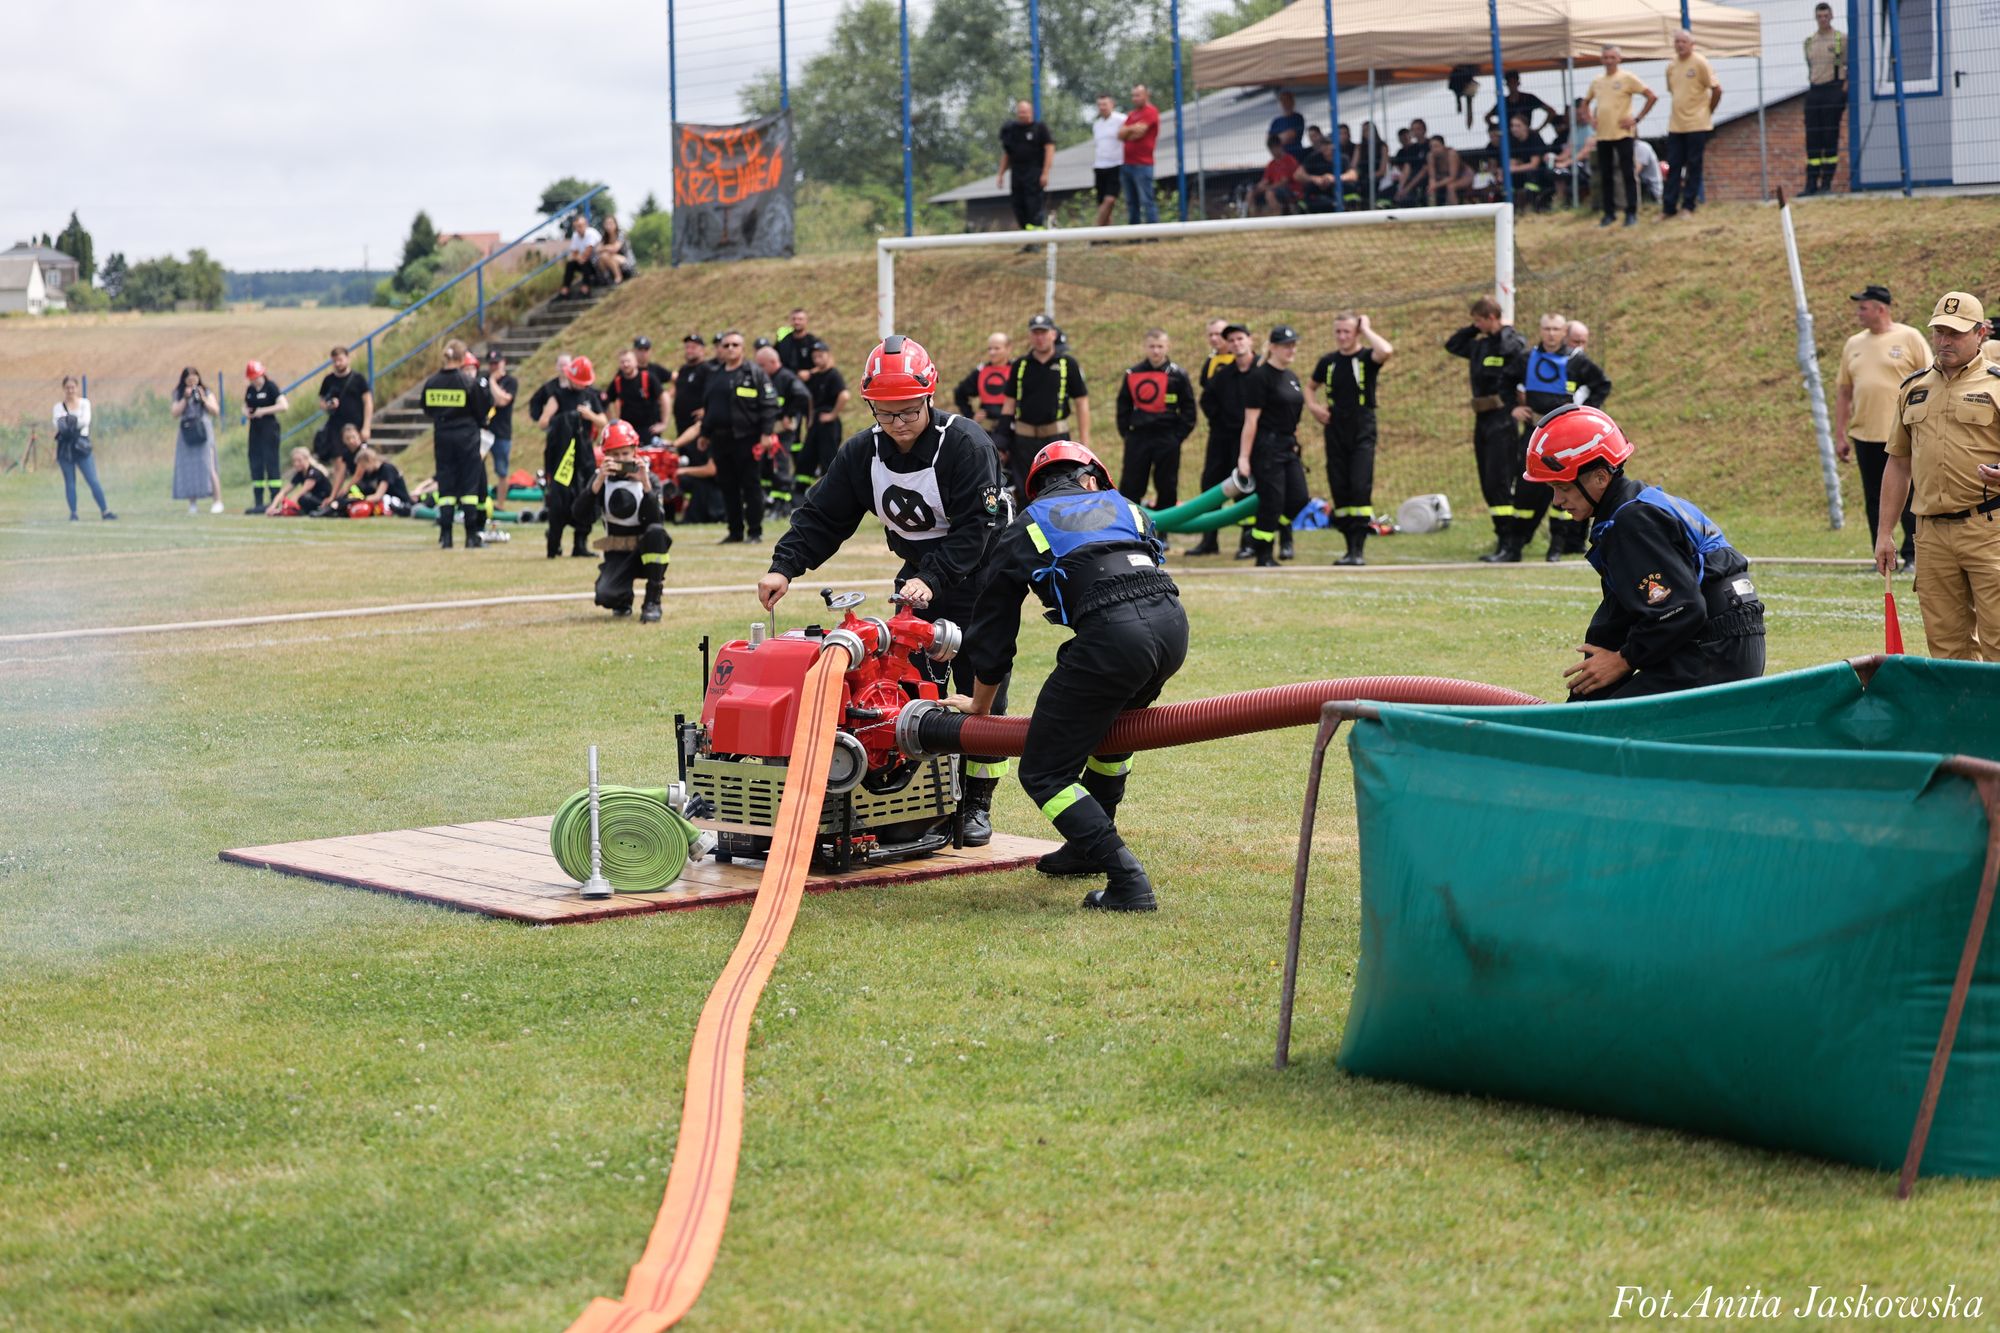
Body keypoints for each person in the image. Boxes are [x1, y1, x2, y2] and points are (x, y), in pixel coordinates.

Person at [758, 335, 1012, 843]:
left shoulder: (965, 444)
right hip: (921, 574)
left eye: (908, 411)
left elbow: (974, 531)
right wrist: (784, 567)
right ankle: (924, 797)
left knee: (982, 686)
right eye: (886, 413)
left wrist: (931, 579)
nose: (897, 424)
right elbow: (824, 517)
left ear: (929, 398)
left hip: (984, 574)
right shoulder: (861, 453)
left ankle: (977, 801)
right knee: (906, 681)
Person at [961, 441, 1186, 912]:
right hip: (1172, 628)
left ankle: (1126, 877)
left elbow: (993, 625)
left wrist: (980, 706)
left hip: (1112, 639)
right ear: (1091, 479)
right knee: (1113, 738)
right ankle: (1086, 848)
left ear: (1036, 490)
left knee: (1045, 770)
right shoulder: (1128, 507)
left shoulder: (1029, 524)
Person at [1526, 404, 1765, 699]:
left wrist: (1623, 660)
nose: (1557, 501)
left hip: (1715, 653)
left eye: (1562, 488)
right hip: (1718, 643)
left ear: (1600, 477)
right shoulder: (1631, 511)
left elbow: (1681, 610)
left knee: (1604, 728)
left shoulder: (1632, 522)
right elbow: (1628, 613)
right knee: (1590, 713)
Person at [1875, 292, 2000, 660]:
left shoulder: (1997, 385)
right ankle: (1962, 719)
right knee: (1946, 648)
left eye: (1956, 333)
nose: (1945, 340)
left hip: (1988, 529)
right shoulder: (1913, 389)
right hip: (1930, 535)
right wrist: (1884, 533)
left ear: (1979, 334)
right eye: (1939, 331)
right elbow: (1898, 463)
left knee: (1998, 641)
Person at [1835, 284, 1929, 572]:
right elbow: (1844, 391)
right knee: (1874, 498)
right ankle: (1882, 556)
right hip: (1866, 434)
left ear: (1880, 308)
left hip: (1905, 434)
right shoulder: (1853, 343)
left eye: (1863, 307)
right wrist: (1840, 434)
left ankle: (1914, 555)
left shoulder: (1909, 337)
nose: (1858, 313)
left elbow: (1930, 380)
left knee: (1911, 496)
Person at [1506, 312, 1613, 560]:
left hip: (1565, 436)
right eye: (1547, 329)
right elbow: (1505, 380)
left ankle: (1557, 546)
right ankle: (1513, 547)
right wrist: (1513, 405)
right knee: (1524, 488)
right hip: (1534, 434)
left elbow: (1602, 384)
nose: (1551, 334)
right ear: (1540, 330)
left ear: (1564, 332)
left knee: (1564, 486)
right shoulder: (1527, 358)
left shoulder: (1576, 362)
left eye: (1556, 329)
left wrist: (1586, 412)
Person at [1445, 296, 1531, 561]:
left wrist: (1502, 328)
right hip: (1482, 419)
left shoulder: (1511, 341)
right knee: (1487, 481)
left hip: (1502, 417)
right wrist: (1475, 328)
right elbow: (1453, 344)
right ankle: (1502, 540)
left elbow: (1515, 350)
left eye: (1479, 320)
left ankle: (1509, 543)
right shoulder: (1479, 346)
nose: (1476, 325)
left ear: (1492, 318)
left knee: (1500, 479)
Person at [1309, 312, 1394, 566]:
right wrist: (1314, 407)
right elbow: (1310, 387)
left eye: (1347, 331)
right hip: (1335, 428)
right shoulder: (1328, 362)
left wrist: (1366, 328)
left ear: (1355, 332)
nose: (1342, 336)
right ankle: (1348, 548)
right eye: (1338, 332)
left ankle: (1359, 549)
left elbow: (1386, 350)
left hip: (1362, 428)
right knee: (1340, 487)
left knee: (1360, 485)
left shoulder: (1367, 358)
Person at [575, 419, 673, 623]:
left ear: (635, 451)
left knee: (656, 532)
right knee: (606, 596)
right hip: (617, 550)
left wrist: (645, 485)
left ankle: (653, 601)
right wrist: (597, 483)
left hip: (646, 549)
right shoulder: (600, 479)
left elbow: (657, 519)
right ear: (606, 455)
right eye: (615, 455)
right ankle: (622, 598)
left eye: (625, 454)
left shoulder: (648, 478)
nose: (621, 459)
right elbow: (579, 515)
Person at [689, 330, 780, 544]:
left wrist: (767, 433)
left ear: (742, 348)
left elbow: (769, 405)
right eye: (726, 345)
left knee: (751, 486)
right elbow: (710, 408)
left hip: (747, 438)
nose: (730, 349)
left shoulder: (753, 373)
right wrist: (705, 434)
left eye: (735, 345)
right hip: (721, 440)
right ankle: (735, 532)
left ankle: (755, 532)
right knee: (728, 487)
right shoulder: (714, 374)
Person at [1239, 325, 1310, 568]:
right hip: (1266, 447)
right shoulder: (1260, 377)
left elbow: (1293, 414)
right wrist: (1244, 458)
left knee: (1300, 497)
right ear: (1272, 348)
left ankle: (1256, 536)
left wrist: (1295, 441)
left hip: (1288, 445)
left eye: (1293, 345)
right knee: (1273, 500)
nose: (1291, 350)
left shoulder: (1291, 377)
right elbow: (1251, 421)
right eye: (1285, 345)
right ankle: (1264, 554)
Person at [999, 313, 1090, 499]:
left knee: (1058, 489)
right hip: (1023, 440)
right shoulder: (1020, 365)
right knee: (1025, 492)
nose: (1039, 338)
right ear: (1030, 336)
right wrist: (1000, 441)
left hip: (1056, 438)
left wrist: (1084, 441)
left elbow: (1081, 401)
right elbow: (1009, 404)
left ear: (1053, 334)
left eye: (1044, 333)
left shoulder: (1067, 364)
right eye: (1035, 333)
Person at [1190, 322, 1259, 558]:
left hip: (1253, 439)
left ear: (1251, 340)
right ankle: (1209, 540)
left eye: (1240, 339)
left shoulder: (1262, 370)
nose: (1236, 344)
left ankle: (1249, 541)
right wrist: (1220, 421)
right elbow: (1206, 400)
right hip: (1221, 438)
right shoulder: (1223, 374)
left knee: (1248, 489)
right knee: (1211, 484)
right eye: (1231, 340)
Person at [421, 339, 492, 550]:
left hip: (442, 436)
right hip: (467, 438)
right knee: (470, 486)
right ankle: (471, 536)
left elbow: (426, 408)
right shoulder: (468, 383)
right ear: (462, 359)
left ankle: (446, 536)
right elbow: (482, 412)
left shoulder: (432, 382)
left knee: (446, 485)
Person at [1114, 329, 1197, 510]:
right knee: (1131, 482)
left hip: (1167, 437)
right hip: (1138, 437)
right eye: (1152, 346)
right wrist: (1127, 433)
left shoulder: (1178, 375)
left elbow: (1189, 409)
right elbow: (1123, 406)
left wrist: (1177, 437)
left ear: (1167, 347)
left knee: (1167, 484)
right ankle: (1129, 527)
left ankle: (1164, 530)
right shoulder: (1133, 373)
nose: (1156, 351)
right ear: (1145, 347)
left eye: (1160, 346)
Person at [539, 354, 607, 558]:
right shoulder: (557, 395)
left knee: (586, 496)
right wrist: (565, 420)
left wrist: (590, 416)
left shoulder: (591, 397)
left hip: (584, 455)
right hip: (562, 456)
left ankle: (580, 544)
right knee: (559, 499)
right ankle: (554, 544)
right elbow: (543, 422)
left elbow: (604, 422)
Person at [1584, 45, 1657, 227]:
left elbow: (1651, 96)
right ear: (1601, 60)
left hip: (1623, 134)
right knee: (1606, 175)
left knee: (1628, 173)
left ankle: (1631, 212)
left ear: (1618, 59)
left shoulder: (1627, 78)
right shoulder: (1597, 81)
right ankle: (1609, 213)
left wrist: (1637, 118)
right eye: (1605, 57)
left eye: (1612, 57)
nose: (1608, 61)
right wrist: (1590, 119)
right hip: (1603, 135)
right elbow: (1585, 102)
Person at [1661, 30, 1722, 218]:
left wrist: (1707, 111)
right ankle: (1669, 208)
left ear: (1691, 44)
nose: (1680, 45)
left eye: (1684, 42)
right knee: (1674, 165)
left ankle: (1689, 205)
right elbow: (1674, 92)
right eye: (1677, 41)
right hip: (1676, 124)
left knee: (1694, 164)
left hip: (1697, 123)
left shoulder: (1700, 62)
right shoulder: (1671, 66)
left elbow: (1717, 89)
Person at [754, 344, 810, 517]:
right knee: (767, 466)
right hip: (770, 430)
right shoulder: (767, 378)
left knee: (781, 464)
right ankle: (770, 502)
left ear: (773, 362)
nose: (760, 370)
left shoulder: (786, 377)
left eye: (762, 366)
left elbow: (803, 396)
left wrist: (789, 414)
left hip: (782, 431)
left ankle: (783, 505)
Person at [52, 375, 114, 521]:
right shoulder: (58, 407)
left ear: (77, 388)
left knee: (92, 479)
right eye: (67, 388)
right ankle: (73, 513)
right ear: (63, 389)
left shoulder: (85, 403)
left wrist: (67, 421)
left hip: (81, 446)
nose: (70, 390)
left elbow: (85, 421)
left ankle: (105, 510)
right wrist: (72, 422)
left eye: (72, 387)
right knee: (70, 481)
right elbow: (58, 425)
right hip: (65, 448)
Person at [1802, 2, 1848, 196]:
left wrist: (1843, 90)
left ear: (1831, 17)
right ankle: (1810, 184)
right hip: (1814, 91)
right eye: (1819, 16)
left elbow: (1849, 65)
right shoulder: (1809, 42)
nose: (1823, 19)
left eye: (1826, 16)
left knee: (1830, 137)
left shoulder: (1840, 39)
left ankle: (1826, 183)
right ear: (1816, 18)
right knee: (1813, 139)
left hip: (1833, 89)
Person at [316, 346, 371, 491]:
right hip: (336, 426)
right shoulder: (329, 380)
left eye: (340, 360)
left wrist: (366, 426)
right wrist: (328, 405)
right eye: (334, 361)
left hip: (356, 425)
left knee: (360, 457)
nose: (337, 364)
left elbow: (368, 401)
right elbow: (321, 401)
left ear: (347, 358)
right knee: (338, 460)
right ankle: (337, 492)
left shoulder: (358, 379)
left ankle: (358, 487)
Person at [172, 366, 225, 515]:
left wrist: (202, 398)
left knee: (209, 465)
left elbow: (215, 410)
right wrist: (185, 398)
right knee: (188, 468)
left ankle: (217, 501)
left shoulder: (205, 391)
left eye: (194, 378)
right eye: (188, 379)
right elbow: (175, 412)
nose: (192, 381)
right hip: (187, 432)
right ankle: (192, 503)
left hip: (203, 432)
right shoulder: (179, 393)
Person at [997, 100, 1055, 231]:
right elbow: (1007, 154)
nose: (1022, 115)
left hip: (1034, 172)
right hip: (1017, 172)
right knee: (1018, 205)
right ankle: (1028, 237)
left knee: (1033, 205)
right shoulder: (1012, 130)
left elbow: (1050, 149)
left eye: (1025, 112)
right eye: (1020, 112)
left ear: (1031, 112)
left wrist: (1045, 173)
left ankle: (1037, 239)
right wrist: (1000, 174)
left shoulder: (1040, 129)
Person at [953, 332, 1014, 454]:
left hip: (1013, 430)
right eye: (990, 348)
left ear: (1008, 348)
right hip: (988, 430)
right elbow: (959, 393)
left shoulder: (1017, 370)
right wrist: (970, 415)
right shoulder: (981, 371)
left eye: (997, 348)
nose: (992, 352)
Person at [241, 361, 287, 513]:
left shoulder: (271, 387)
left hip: (269, 429)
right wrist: (246, 412)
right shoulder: (250, 389)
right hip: (255, 430)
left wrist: (263, 411)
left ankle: (275, 501)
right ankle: (258, 502)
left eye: (257, 376)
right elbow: (245, 405)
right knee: (256, 463)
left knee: (271, 464)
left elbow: (283, 406)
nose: (255, 380)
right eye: (252, 378)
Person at [803, 340, 849, 486]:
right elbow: (810, 399)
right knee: (807, 456)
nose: (817, 359)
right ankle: (802, 492)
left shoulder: (833, 375)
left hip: (828, 423)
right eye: (814, 357)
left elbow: (844, 395)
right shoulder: (815, 376)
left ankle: (832, 489)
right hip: (815, 420)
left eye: (820, 356)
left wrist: (832, 415)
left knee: (828, 459)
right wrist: (810, 418)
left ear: (828, 355)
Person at [1118, 83, 1161, 225]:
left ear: (1146, 95)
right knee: (1131, 203)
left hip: (1143, 164)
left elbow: (1138, 133)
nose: (1134, 98)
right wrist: (1131, 130)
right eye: (1133, 95)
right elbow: (1120, 135)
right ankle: (1134, 235)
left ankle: (1152, 234)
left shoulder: (1151, 111)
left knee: (1147, 201)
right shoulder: (1132, 114)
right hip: (1127, 164)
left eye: (1138, 95)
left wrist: (1128, 132)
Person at [607, 346, 669, 444]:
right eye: (622, 362)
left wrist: (663, 423)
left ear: (635, 362)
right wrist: (612, 423)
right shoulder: (617, 382)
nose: (626, 364)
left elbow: (664, 397)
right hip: (627, 432)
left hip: (649, 430)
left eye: (628, 361)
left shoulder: (648, 378)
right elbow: (606, 401)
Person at [484, 350, 518, 513]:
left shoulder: (510, 382)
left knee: (502, 470)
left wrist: (492, 382)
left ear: (503, 362)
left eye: (496, 363)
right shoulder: (482, 380)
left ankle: (500, 504)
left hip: (501, 432)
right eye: (491, 364)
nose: (494, 366)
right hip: (483, 431)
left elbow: (502, 400)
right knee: (475, 468)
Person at [338, 445, 413, 515]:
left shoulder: (386, 469)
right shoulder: (371, 473)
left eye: (364, 466)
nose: (364, 469)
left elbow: (378, 496)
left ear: (370, 460)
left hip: (398, 501)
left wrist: (358, 500)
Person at [1090, 94, 1128, 227]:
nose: (1102, 107)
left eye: (1105, 104)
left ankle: (1095, 231)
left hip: (1116, 164)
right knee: (1102, 202)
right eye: (1099, 105)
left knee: (1110, 199)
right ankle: (1106, 235)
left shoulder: (1122, 119)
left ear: (1112, 104)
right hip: (1100, 166)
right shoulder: (1097, 124)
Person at [1506, 115, 1555, 211]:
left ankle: (1532, 205)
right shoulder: (1513, 141)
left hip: (1540, 174)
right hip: (1523, 172)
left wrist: (1513, 169)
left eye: (1518, 126)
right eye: (1512, 126)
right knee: (1510, 178)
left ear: (1525, 126)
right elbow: (1512, 162)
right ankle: (1514, 208)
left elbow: (1534, 165)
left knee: (1529, 176)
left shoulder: (1534, 138)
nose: (1514, 129)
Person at [1485, 70, 1554, 137]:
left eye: (1514, 82)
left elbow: (1551, 111)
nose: (1512, 85)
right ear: (1507, 84)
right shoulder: (1503, 102)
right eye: (1510, 83)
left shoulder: (1528, 98)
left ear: (1518, 83)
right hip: (1510, 138)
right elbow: (1487, 117)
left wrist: (1539, 129)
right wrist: (1500, 129)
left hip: (1526, 137)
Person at [267, 446, 333, 516]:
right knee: (303, 499)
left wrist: (284, 507)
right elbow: (284, 491)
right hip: (313, 501)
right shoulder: (300, 474)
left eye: (299, 460)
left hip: (325, 501)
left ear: (307, 459)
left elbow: (301, 493)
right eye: (294, 461)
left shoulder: (313, 472)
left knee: (303, 498)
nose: (296, 464)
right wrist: (273, 506)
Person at [560, 212, 601, 297]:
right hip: (584, 261)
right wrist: (578, 258)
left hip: (597, 263)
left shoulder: (591, 233)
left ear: (585, 225)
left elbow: (587, 253)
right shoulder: (575, 235)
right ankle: (565, 289)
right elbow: (573, 254)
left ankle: (585, 288)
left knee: (585, 262)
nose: (578, 229)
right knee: (570, 264)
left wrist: (578, 257)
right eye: (576, 227)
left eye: (580, 226)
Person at [1425, 135, 1473, 206]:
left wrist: (1436, 185)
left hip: (1464, 176)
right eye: (1431, 147)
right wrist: (1432, 186)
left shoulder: (1451, 154)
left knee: (1451, 187)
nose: (1434, 149)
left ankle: (1454, 212)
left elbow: (1453, 177)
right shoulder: (1430, 156)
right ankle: (1432, 213)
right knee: (1430, 189)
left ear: (1443, 146)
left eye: (1436, 146)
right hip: (1444, 178)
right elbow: (1432, 177)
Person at [593, 214, 635, 287]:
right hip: (611, 261)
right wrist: (608, 247)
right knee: (602, 258)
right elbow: (597, 249)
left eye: (611, 223)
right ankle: (608, 279)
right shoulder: (604, 236)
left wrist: (604, 248)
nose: (609, 226)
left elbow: (615, 249)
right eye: (607, 224)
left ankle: (618, 277)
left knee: (605, 255)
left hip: (626, 261)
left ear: (615, 224)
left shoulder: (621, 234)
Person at [776, 309, 819, 379]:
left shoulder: (813, 342)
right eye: (794, 319)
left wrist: (810, 373)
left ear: (806, 321)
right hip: (788, 382)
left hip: (811, 382)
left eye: (800, 319)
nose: (796, 322)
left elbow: (826, 364)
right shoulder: (783, 342)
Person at [1269, 90, 1305, 154]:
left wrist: (1275, 140)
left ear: (1292, 101)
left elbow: (1289, 136)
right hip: (1281, 157)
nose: (1284, 102)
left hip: (1296, 155)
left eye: (1286, 100)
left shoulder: (1297, 118)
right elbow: (1269, 141)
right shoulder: (1276, 121)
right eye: (1282, 100)